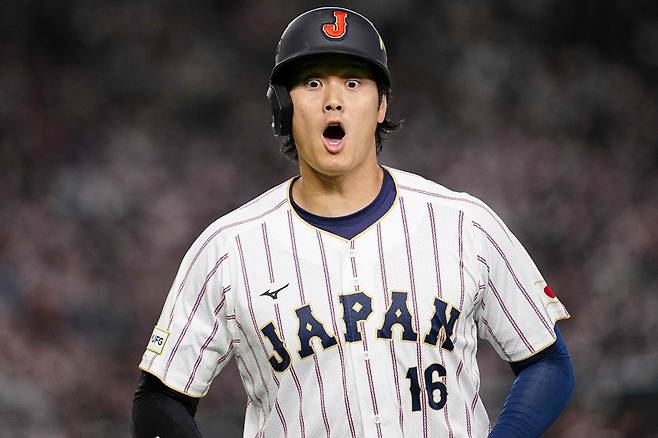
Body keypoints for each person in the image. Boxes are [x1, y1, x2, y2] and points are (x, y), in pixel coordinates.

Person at [132, 6, 574, 438]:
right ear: (282, 107)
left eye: (353, 82)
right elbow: (159, 399)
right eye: (311, 83)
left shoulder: (463, 224)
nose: (333, 101)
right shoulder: (228, 249)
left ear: (382, 105)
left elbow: (547, 362)